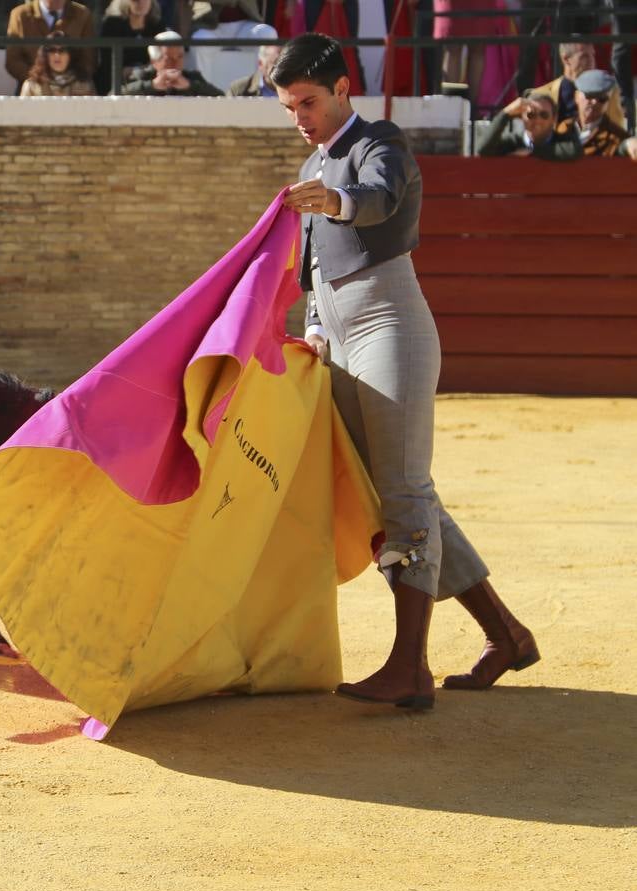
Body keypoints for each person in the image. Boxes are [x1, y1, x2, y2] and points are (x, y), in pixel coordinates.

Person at [273, 33, 540, 710]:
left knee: (403, 495)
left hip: (389, 326)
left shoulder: (378, 140)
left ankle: (409, 668)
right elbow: (314, 269)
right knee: (392, 495)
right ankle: (504, 634)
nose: (298, 115)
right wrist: (309, 328)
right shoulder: (318, 159)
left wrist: (331, 202)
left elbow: (378, 199)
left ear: (341, 89)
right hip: (337, 334)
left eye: (307, 100)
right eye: (287, 106)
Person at [532, 42, 625, 132]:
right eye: (584, 57)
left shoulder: (609, 92)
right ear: (566, 59)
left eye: (592, 55)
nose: (591, 62)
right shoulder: (541, 95)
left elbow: (618, 129)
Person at [5, 0, 94, 93]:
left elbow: (88, 60)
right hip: (32, 92)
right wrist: (37, 80)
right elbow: (13, 61)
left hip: (74, 92)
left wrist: (69, 82)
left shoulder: (82, 14)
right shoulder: (20, 15)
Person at [556, 69, 637, 159]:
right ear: (576, 97)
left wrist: (626, 146)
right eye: (589, 96)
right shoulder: (561, 128)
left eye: (602, 99)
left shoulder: (617, 137)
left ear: (607, 102)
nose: (594, 102)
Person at [477, 91, 580, 160]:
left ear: (554, 118)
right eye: (531, 115)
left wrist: (531, 153)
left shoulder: (566, 141)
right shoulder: (512, 143)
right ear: (522, 117)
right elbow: (483, 150)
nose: (537, 120)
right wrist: (505, 113)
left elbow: (575, 151)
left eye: (544, 115)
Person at [122, 28, 221, 96]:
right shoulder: (142, 76)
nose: (176, 63)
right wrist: (152, 85)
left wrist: (189, 86)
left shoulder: (192, 77)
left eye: (180, 57)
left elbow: (221, 97)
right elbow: (114, 95)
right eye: (169, 59)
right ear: (154, 61)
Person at [96, 0, 160, 96]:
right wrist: (126, 72)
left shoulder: (157, 25)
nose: (140, 3)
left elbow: (159, 60)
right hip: (115, 83)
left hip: (147, 82)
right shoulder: (111, 25)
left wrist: (139, 71)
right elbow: (106, 62)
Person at [19, 31, 93, 95]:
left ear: (71, 54)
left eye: (62, 50)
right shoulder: (32, 85)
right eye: (52, 50)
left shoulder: (85, 84)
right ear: (45, 55)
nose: (57, 55)